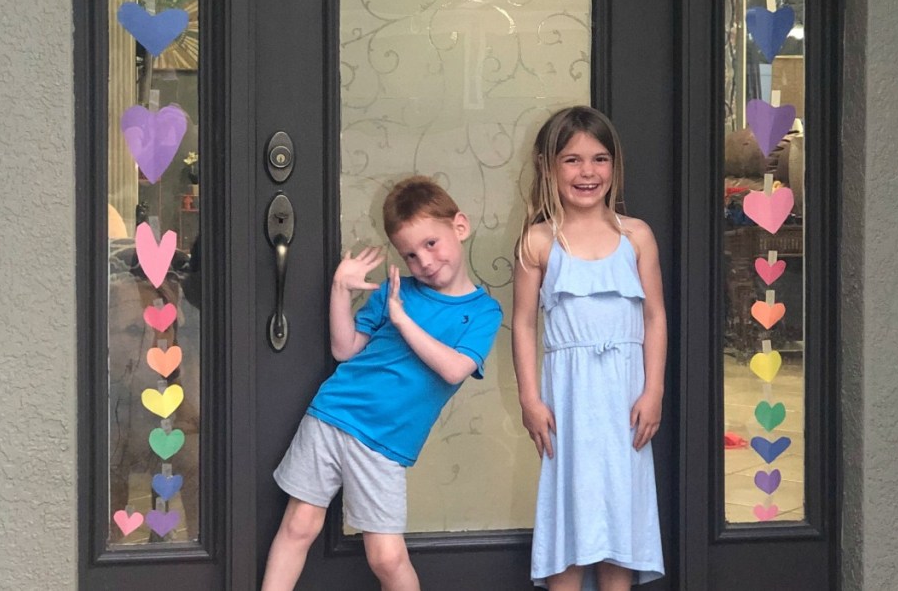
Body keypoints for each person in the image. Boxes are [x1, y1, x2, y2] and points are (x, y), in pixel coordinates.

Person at [261, 176, 503, 591]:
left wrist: (403, 321)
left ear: (459, 227)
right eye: (410, 254)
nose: (424, 261)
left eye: (431, 244)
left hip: (384, 443)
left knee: (387, 557)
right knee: (299, 525)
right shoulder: (395, 292)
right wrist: (340, 288)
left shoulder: (483, 312)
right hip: (333, 414)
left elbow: (453, 369)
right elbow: (345, 349)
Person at [512, 106, 667, 590]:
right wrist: (530, 399)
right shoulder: (539, 242)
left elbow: (655, 317)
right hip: (569, 401)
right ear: (548, 167)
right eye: (573, 160)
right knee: (570, 509)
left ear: (614, 166)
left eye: (599, 159)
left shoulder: (635, 236)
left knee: (621, 512)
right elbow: (522, 324)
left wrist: (654, 391)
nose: (587, 172)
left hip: (626, 399)